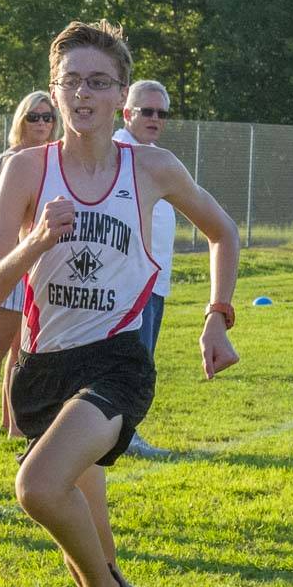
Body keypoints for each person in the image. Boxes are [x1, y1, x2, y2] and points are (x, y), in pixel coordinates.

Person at [0, 21, 239, 587]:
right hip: (44, 372)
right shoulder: (25, 171)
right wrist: (32, 243)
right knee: (88, 555)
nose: (83, 93)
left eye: (98, 82)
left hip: (117, 361)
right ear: (53, 89)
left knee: (35, 485)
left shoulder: (149, 166)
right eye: (71, 81)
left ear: (122, 96)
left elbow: (222, 231)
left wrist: (218, 315)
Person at [0, 92, 59, 445]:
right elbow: (3, 223)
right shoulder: (10, 161)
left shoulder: (52, 160)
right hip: (11, 265)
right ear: (20, 121)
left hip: (38, 266)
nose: (41, 123)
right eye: (33, 117)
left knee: (20, 351)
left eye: (47, 117)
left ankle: (13, 423)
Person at [115, 80, 177, 457]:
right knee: (130, 365)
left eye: (162, 113)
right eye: (146, 111)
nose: (155, 119)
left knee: (141, 363)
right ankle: (122, 436)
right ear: (127, 113)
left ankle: (123, 434)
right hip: (129, 282)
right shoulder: (120, 153)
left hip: (155, 282)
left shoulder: (155, 156)